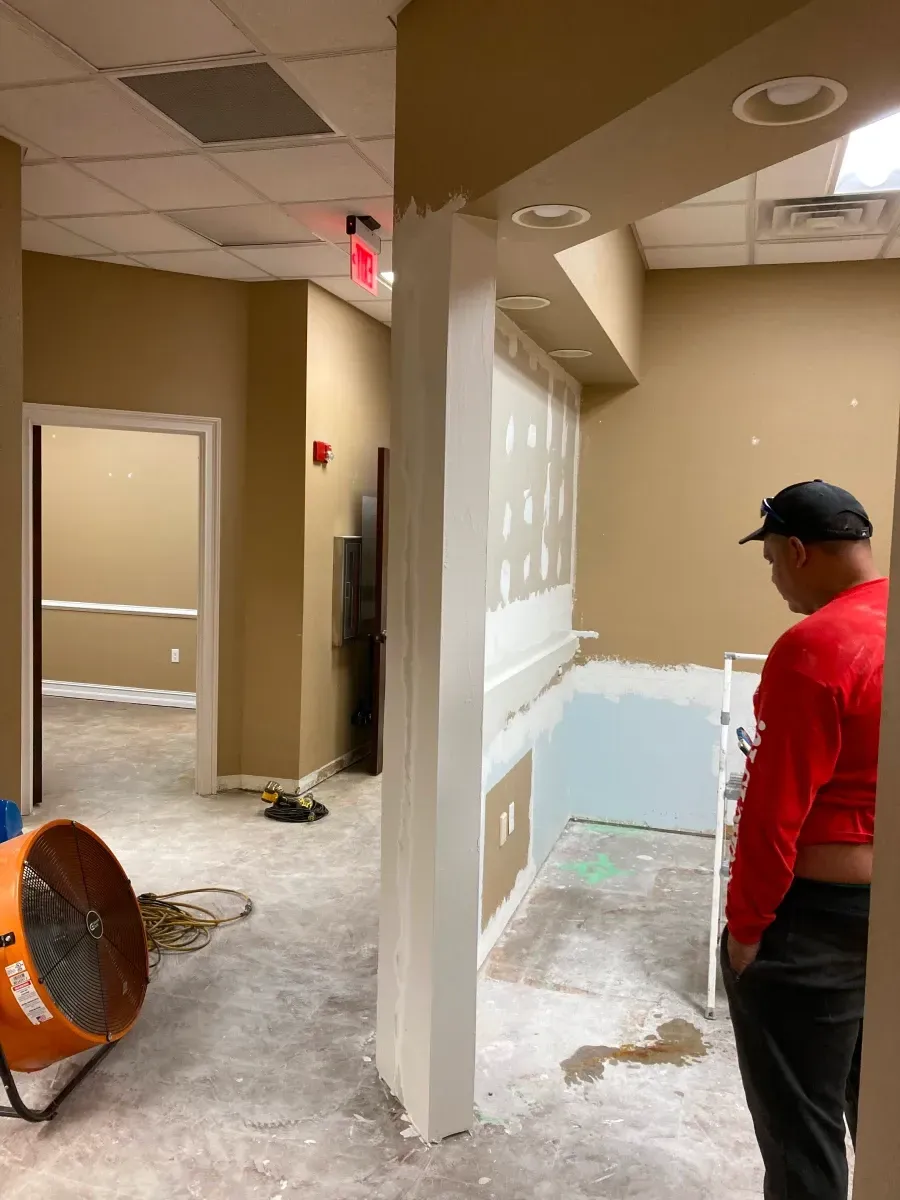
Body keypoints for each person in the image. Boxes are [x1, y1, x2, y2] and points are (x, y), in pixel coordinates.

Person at [723, 480, 887, 1200]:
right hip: (881, 919)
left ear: (797, 551)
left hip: (813, 923)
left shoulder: (816, 647)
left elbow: (772, 812)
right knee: (875, 1108)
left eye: (770, 563)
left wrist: (747, 928)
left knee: (801, 1129)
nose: (774, 580)